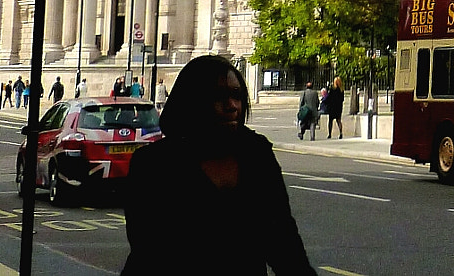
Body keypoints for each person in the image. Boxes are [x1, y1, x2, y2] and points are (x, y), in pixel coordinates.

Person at [121, 55, 313, 276]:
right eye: (218, 97)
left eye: (236, 96)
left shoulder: (256, 154)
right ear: (192, 102)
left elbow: (283, 241)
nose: (232, 106)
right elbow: (150, 251)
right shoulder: (153, 164)